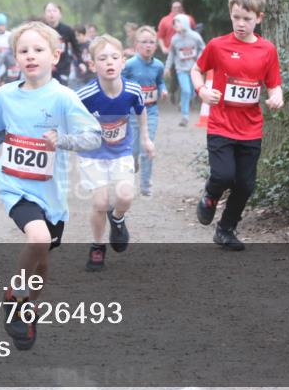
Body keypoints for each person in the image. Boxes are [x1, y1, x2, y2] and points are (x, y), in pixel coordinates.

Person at [0, 21, 101, 350]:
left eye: (38, 50)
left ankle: (28, 306)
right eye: (23, 51)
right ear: (14, 57)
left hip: (51, 193)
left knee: (42, 259)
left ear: (55, 56)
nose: (31, 56)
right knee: (37, 237)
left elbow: (94, 137)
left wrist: (62, 140)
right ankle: (13, 295)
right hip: (15, 184)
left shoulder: (64, 98)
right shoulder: (6, 95)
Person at [192, 0, 283, 250]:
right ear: (230, 15)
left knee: (245, 184)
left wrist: (277, 96)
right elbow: (197, 70)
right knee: (223, 176)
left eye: (247, 19)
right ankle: (210, 196)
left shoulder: (267, 50)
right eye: (236, 18)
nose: (241, 24)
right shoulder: (217, 45)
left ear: (259, 18)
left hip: (251, 128)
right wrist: (202, 90)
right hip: (221, 125)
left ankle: (226, 229)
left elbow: (274, 83)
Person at [75, 35, 155, 271]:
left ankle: (118, 218)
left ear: (123, 61)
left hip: (121, 151)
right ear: (92, 65)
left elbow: (141, 112)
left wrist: (146, 139)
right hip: (93, 155)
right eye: (102, 58)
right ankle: (97, 246)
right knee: (100, 203)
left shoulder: (132, 90)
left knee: (126, 197)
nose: (109, 62)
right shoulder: (85, 95)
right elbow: (72, 118)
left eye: (114, 57)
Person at [124, 25, 167, 196]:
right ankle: (133, 161)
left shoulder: (158, 65)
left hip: (151, 111)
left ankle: (145, 185)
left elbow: (160, 80)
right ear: (136, 45)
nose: (148, 46)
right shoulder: (129, 65)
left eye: (151, 42)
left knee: (147, 147)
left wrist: (162, 89)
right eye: (144, 42)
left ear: (156, 45)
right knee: (134, 150)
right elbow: (120, 83)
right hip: (133, 113)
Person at [166, 14, 205, 126]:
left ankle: (184, 101)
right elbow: (171, 54)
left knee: (192, 93)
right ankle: (185, 117)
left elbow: (203, 48)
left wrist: (199, 60)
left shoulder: (195, 36)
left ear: (185, 22)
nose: (175, 25)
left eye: (177, 22)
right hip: (181, 69)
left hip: (194, 69)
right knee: (186, 90)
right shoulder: (174, 39)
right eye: (174, 23)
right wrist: (167, 67)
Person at [42, 1, 79, 85]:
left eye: (54, 11)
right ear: (44, 14)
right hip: (45, 66)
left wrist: (80, 62)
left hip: (63, 67)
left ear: (60, 14)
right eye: (49, 11)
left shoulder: (67, 30)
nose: (51, 14)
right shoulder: (41, 30)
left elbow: (76, 47)